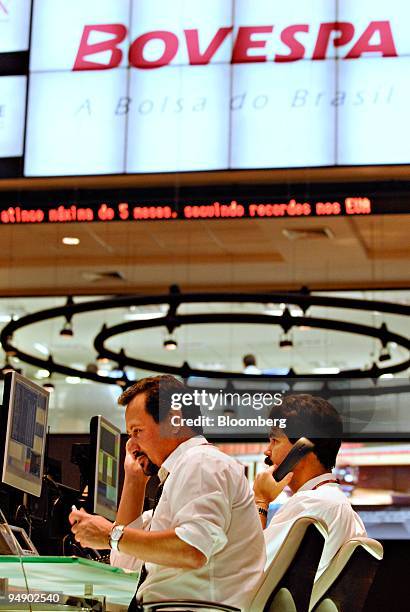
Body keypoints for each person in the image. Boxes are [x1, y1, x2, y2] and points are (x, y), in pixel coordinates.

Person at [69, 375, 265, 610]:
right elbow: (125, 563)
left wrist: (111, 535)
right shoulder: (184, 473)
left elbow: (191, 549)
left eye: (137, 431)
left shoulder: (202, 464)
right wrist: (134, 479)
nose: (131, 445)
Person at [253, 393, 366, 578]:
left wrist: (261, 500)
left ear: (302, 449)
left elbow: (250, 571)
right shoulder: (334, 502)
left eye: (275, 440)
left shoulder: (309, 504)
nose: (267, 450)